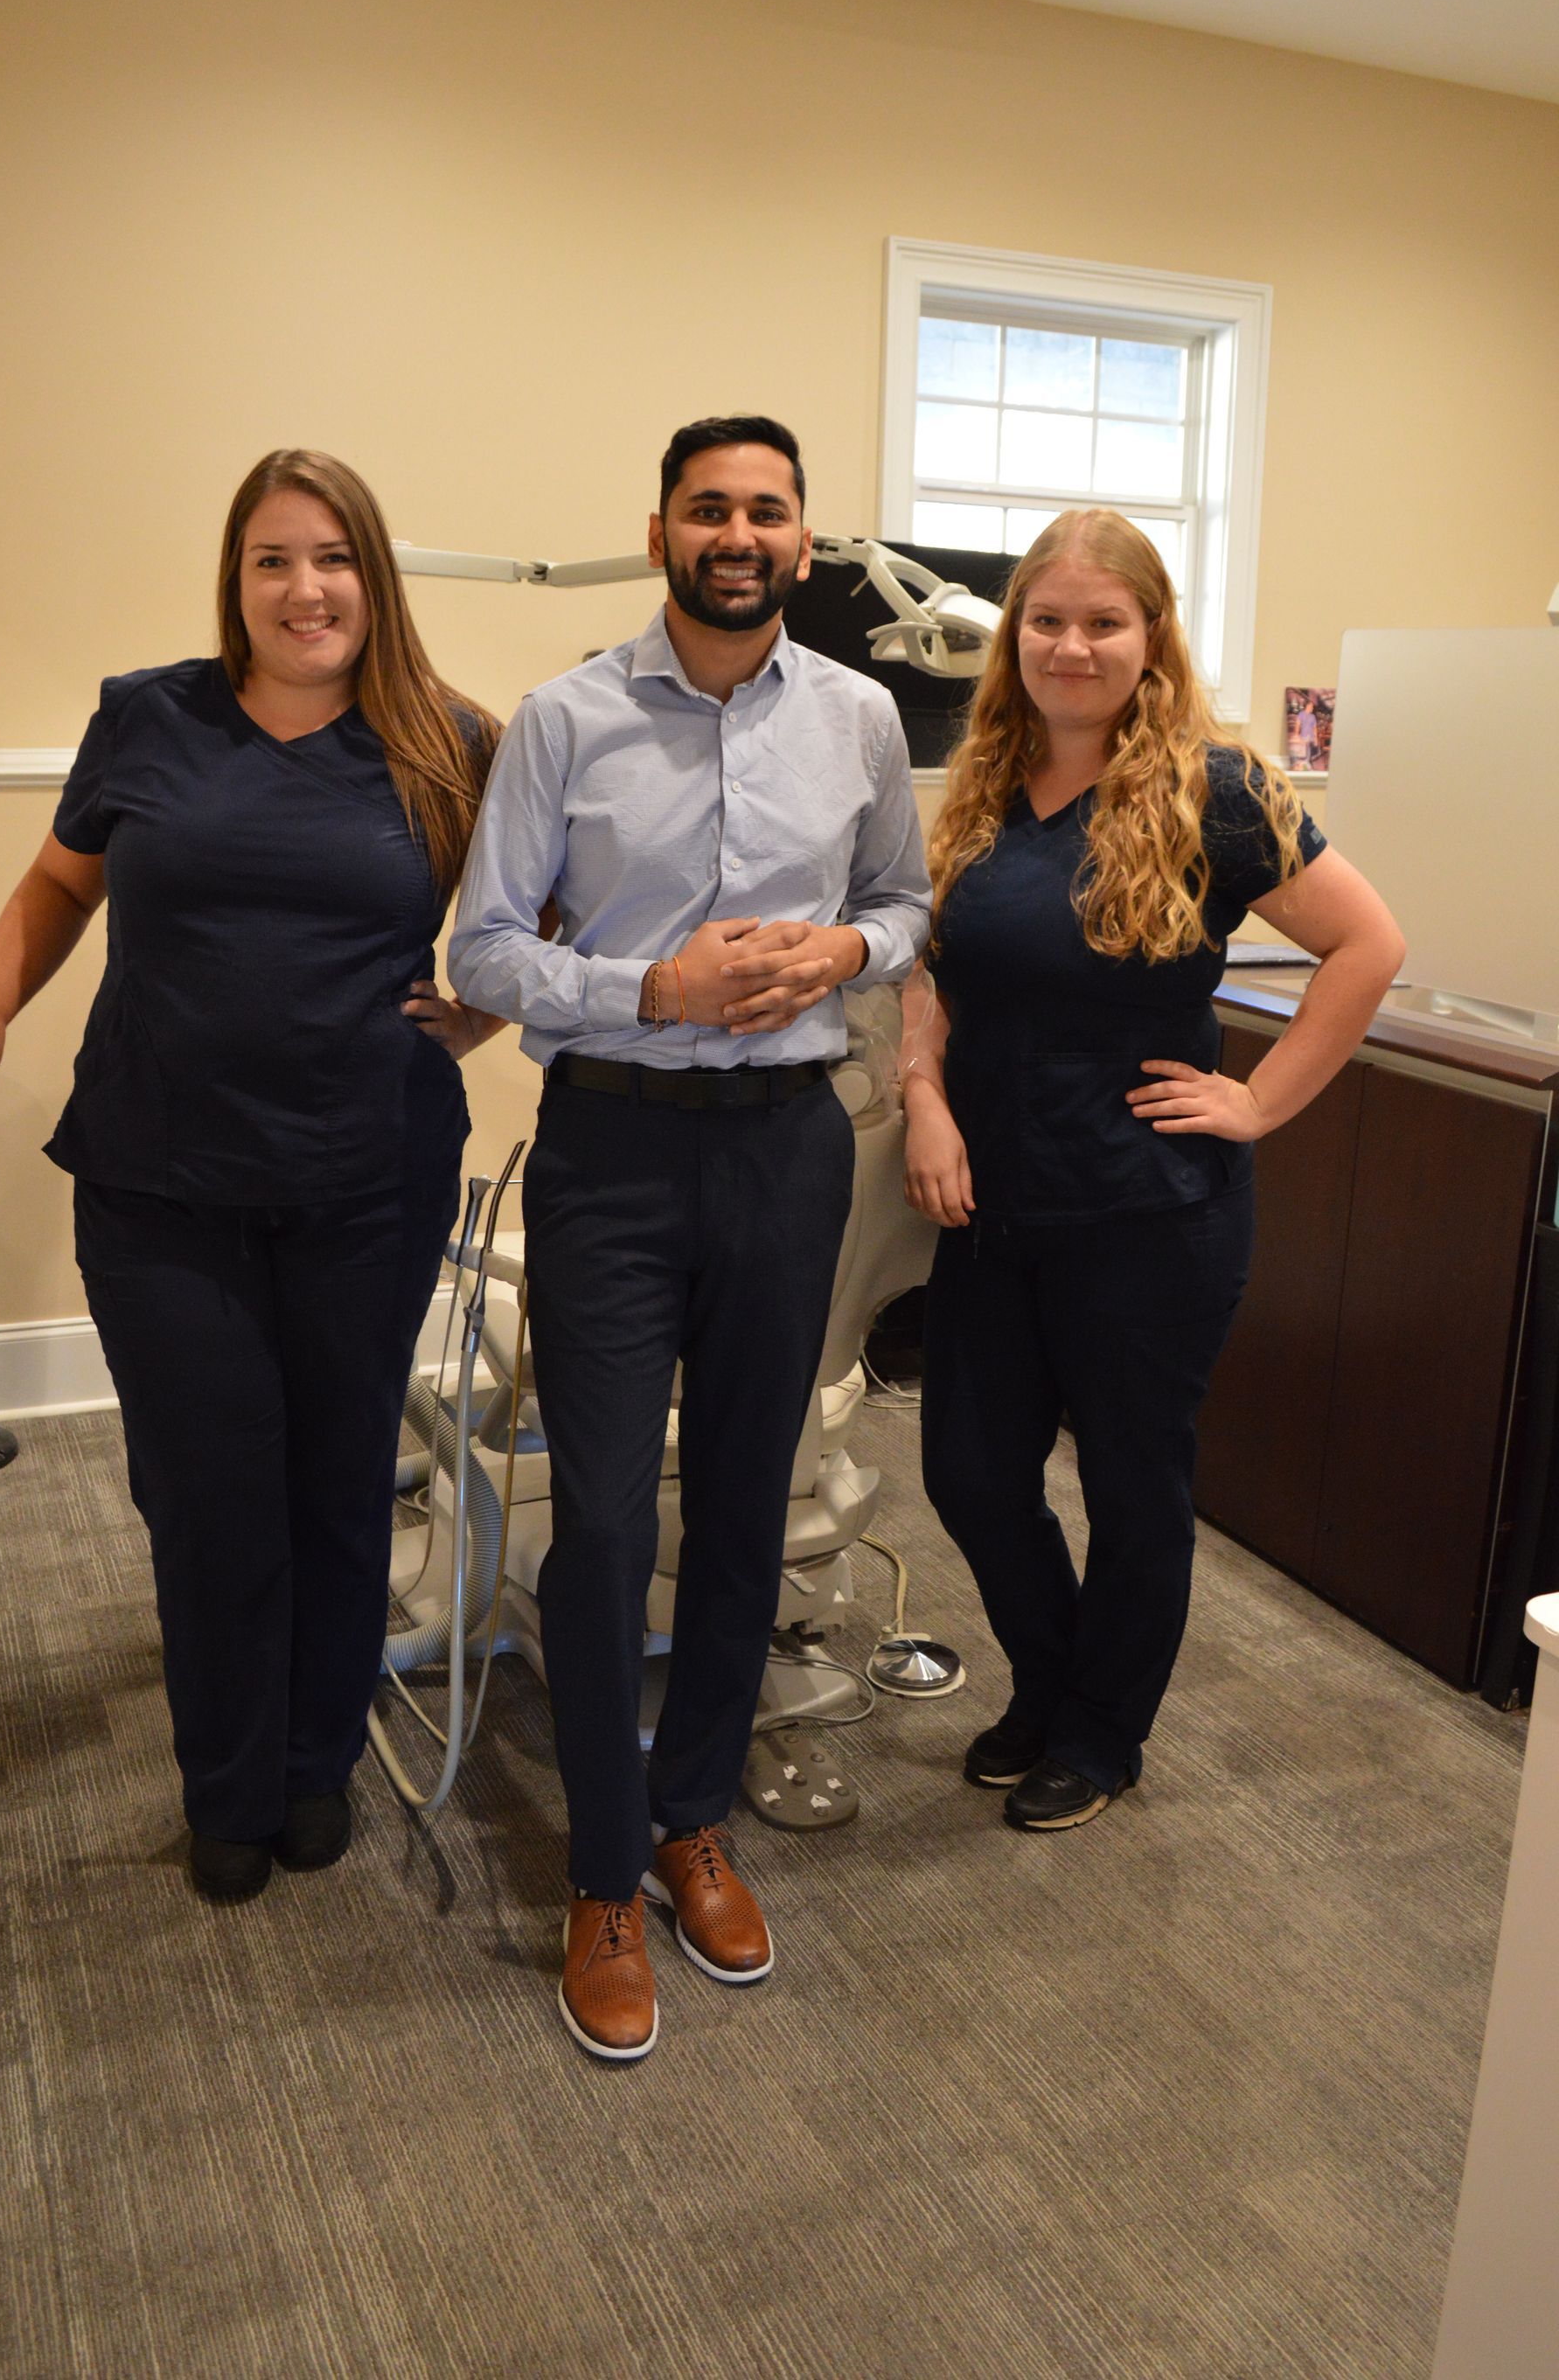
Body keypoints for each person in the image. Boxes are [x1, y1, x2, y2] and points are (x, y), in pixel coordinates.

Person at [0, 449, 502, 1902]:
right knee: (207, 1487)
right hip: (160, 1178)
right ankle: (229, 1782)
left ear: (376, 574)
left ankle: (314, 1763)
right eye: (273, 561)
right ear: (235, 581)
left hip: (368, 1174)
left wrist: (486, 1007)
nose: (307, 590)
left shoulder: (452, 738)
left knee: (341, 1475)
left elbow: (538, 903)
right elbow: (60, 882)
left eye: (334, 559)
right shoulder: (149, 718)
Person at [449, 414, 930, 2061]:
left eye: (769, 512)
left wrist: (843, 952)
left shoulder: (862, 717)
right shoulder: (564, 719)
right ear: (659, 525)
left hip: (791, 1151)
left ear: (803, 539)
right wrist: (653, 987)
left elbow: (909, 904)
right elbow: (490, 952)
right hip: (615, 1151)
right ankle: (598, 1872)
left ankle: (692, 1819)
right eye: (710, 507)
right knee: (595, 1520)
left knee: (743, 1498)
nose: (740, 533)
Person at [901, 508, 1403, 1832]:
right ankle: (1057, 1679)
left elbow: (1368, 947)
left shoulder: (1216, 787)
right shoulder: (986, 782)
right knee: (966, 1469)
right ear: (1015, 639)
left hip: (1147, 1214)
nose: (1071, 646)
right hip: (993, 1202)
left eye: (1102, 623)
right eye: (1046, 622)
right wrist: (922, 1098)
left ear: (1150, 637)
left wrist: (1257, 1102)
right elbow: (934, 971)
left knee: (1132, 1487)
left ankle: (1099, 1734)